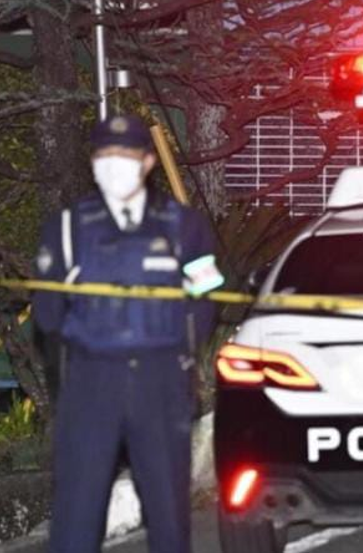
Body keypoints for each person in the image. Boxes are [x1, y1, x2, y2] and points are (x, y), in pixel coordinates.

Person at [31, 115, 221, 553]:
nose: (114, 164)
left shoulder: (184, 226)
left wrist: (180, 363)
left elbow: (205, 298)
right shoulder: (66, 227)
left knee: (169, 517)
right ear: (93, 161)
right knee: (77, 516)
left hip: (161, 384)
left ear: (149, 160)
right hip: (91, 384)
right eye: (105, 155)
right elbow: (47, 313)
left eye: (126, 154)